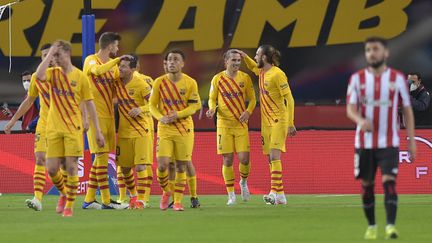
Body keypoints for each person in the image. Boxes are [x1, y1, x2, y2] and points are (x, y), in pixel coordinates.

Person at [346, 37, 416, 239]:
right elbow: (350, 109)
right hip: (364, 143)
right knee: (367, 185)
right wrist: (360, 120)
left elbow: (408, 110)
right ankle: (372, 226)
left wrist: (411, 141)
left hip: (389, 142)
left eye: (375, 49)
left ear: (386, 53)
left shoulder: (397, 79)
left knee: (389, 182)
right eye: (368, 50)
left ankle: (391, 226)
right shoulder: (357, 79)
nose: (371, 53)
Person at [35, 40, 105, 217]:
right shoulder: (52, 73)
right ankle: (64, 193)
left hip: (73, 128)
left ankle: (69, 206)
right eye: (54, 56)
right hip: (53, 128)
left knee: (71, 166)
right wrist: (50, 52)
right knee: (52, 169)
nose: (55, 59)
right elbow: (39, 76)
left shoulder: (80, 77)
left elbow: (90, 105)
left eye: (58, 55)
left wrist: (97, 130)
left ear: (67, 54)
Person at [238, 45, 296, 205]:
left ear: (264, 58)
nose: (255, 57)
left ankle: (272, 192)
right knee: (270, 160)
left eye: (257, 55)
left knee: (275, 156)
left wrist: (291, 123)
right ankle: (281, 195)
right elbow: (252, 67)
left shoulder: (278, 74)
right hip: (266, 122)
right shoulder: (262, 72)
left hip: (279, 120)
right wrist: (245, 57)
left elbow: (289, 99)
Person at [149, 49, 201, 211]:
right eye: (169, 59)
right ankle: (166, 192)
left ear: (182, 63)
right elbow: (151, 105)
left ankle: (177, 202)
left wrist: (178, 114)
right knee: (163, 165)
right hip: (165, 129)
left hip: (184, 130)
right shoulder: (159, 82)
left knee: (181, 166)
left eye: (176, 59)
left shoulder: (190, 82)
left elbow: (195, 105)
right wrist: (160, 117)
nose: (172, 62)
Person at [82, 32, 129, 210]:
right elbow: (97, 71)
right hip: (95, 117)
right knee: (100, 157)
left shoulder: (113, 69)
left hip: (110, 117)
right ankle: (107, 201)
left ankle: (88, 200)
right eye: (116, 46)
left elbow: (119, 86)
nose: (117, 49)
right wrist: (117, 61)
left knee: (100, 158)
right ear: (110, 46)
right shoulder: (91, 60)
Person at [4, 44, 53, 211]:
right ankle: (37, 198)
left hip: (64, 126)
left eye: (50, 55)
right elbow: (29, 101)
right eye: (44, 55)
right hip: (44, 125)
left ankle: (68, 194)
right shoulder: (36, 78)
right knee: (40, 158)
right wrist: (12, 121)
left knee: (55, 167)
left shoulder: (68, 76)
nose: (48, 58)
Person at [206, 49, 256, 205]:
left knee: (244, 158)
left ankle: (243, 182)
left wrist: (248, 112)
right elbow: (212, 99)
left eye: (238, 61)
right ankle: (231, 194)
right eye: (233, 60)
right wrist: (212, 109)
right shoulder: (218, 79)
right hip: (224, 124)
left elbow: (253, 99)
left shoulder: (245, 78)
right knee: (227, 159)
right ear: (226, 61)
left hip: (240, 124)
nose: (236, 63)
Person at [114, 56, 153, 209]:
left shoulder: (142, 84)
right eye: (119, 66)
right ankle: (133, 195)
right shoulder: (116, 83)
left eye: (123, 66)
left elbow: (156, 103)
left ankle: (142, 200)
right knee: (124, 168)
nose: (120, 69)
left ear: (132, 69)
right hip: (123, 132)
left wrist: (141, 109)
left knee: (140, 167)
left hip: (141, 131)